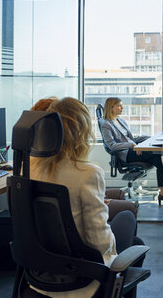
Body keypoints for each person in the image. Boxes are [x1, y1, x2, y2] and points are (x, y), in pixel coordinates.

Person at [30, 97, 144, 297]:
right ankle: (113, 288)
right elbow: (98, 241)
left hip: (39, 274)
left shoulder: (25, 168)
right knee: (132, 232)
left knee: (134, 241)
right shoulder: (87, 172)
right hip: (82, 276)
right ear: (80, 132)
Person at [31, 97, 138, 220]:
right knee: (129, 216)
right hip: (81, 235)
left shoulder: (26, 166)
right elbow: (98, 237)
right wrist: (97, 204)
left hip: (47, 232)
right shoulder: (87, 172)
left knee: (119, 195)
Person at [100, 97, 163, 206]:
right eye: (119, 105)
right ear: (111, 108)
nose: (122, 107)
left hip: (134, 149)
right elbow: (112, 146)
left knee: (160, 159)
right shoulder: (106, 125)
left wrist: (149, 138)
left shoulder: (120, 120)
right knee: (161, 154)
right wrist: (132, 145)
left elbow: (130, 138)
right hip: (127, 154)